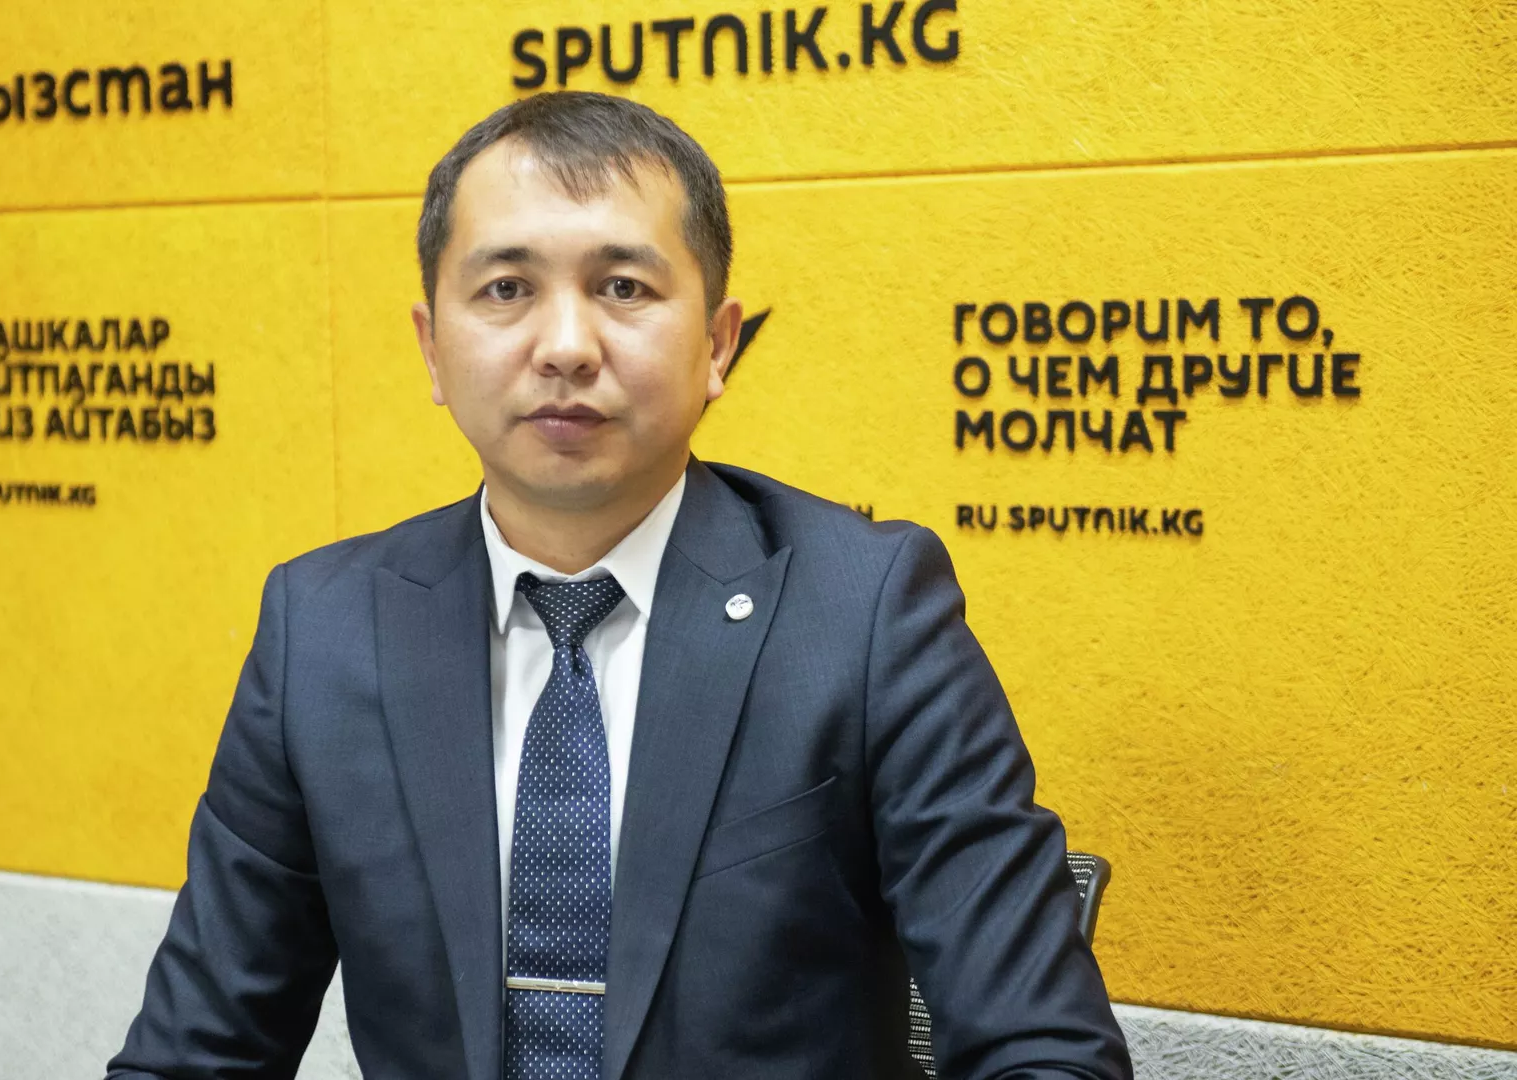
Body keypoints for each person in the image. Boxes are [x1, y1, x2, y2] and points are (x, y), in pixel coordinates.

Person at [106, 91, 1131, 1080]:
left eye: (624, 289)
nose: (565, 347)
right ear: (433, 348)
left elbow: (1045, 1050)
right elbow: (197, 1052)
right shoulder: (324, 632)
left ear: (717, 344)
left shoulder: (865, 613)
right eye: (506, 289)